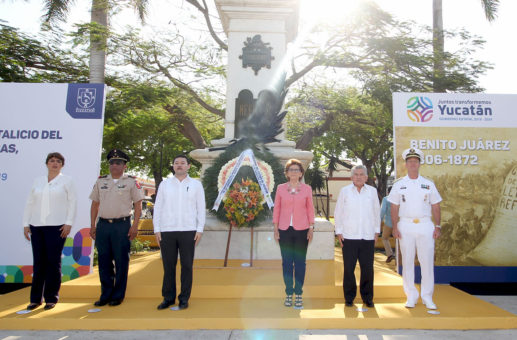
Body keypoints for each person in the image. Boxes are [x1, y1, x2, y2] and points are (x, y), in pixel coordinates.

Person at [388, 148, 442, 310]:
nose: (412, 164)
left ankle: (427, 297)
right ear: (405, 164)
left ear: (419, 164)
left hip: (426, 225)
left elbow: (436, 206)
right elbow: (394, 207)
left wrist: (438, 225)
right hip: (405, 225)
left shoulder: (428, 184)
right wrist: (395, 226)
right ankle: (411, 296)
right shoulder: (399, 184)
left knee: (426, 262)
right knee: (408, 261)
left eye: (415, 161)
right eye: (410, 161)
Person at [22, 152, 77, 311]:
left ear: (62, 165)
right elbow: (29, 203)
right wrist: (26, 224)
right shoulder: (37, 181)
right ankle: (35, 299)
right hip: (36, 226)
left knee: (53, 262)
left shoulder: (67, 181)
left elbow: (72, 202)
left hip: (57, 226)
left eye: (58, 161)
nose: (54, 163)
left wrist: (68, 223)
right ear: (46, 163)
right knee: (39, 263)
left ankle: (51, 298)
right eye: (52, 161)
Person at [89, 149, 144, 307]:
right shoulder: (101, 181)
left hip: (122, 225)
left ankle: (118, 295)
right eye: (112, 162)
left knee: (121, 261)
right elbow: (94, 205)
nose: (114, 165)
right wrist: (93, 225)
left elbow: (138, 205)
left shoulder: (131, 182)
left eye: (118, 163)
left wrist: (135, 225)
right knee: (104, 261)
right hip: (103, 225)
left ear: (124, 166)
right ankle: (105, 294)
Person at [154, 155, 205, 310]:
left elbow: (200, 208)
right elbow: (158, 207)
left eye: (183, 163)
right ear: (173, 166)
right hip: (167, 230)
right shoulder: (164, 184)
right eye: (176, 163)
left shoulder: (196, 185)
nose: (179, 165)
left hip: (188, 230)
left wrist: (200, 229)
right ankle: (168, 298)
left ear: (189, 166)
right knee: (168, 266)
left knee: (187, 266)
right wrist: (157, 229)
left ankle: (184, 298)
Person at [334, 165, 380, 308]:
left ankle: (367, 297)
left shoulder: (372, 191)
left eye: (362, 174)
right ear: (351, 177)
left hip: (367, 236)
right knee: (349, 269)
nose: (359, 177)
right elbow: (338, 212)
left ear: (366, 177)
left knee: (367, 269)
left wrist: (376, 231)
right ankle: (349, 298)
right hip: (349, 236)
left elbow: (376, 212)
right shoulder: (345, 191)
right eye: (356, 174)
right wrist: (339, 231)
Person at [273, 159, 315, 309]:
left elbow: (310, 209)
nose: (294, 172)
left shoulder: (307, 189)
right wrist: (276, 228)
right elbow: (276, 208)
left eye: (297, 170)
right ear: (286, 173)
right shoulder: (280, 188)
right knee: (286, 263)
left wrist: (311, 227)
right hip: (284, 230)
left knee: (299, 263)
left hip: (302, 229)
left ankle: (298, 293)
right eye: (291, 170)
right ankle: (288, 293)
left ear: (301, 173)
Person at [380, 187, 395, 263]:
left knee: (385, 238)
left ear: (388, 192)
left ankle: (390, 254)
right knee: (399, 240)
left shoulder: (386, 199)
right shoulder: (399, 199)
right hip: (398, 223)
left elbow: (382, 211)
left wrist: (380, 220)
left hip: (388, 223)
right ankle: (400, 257)